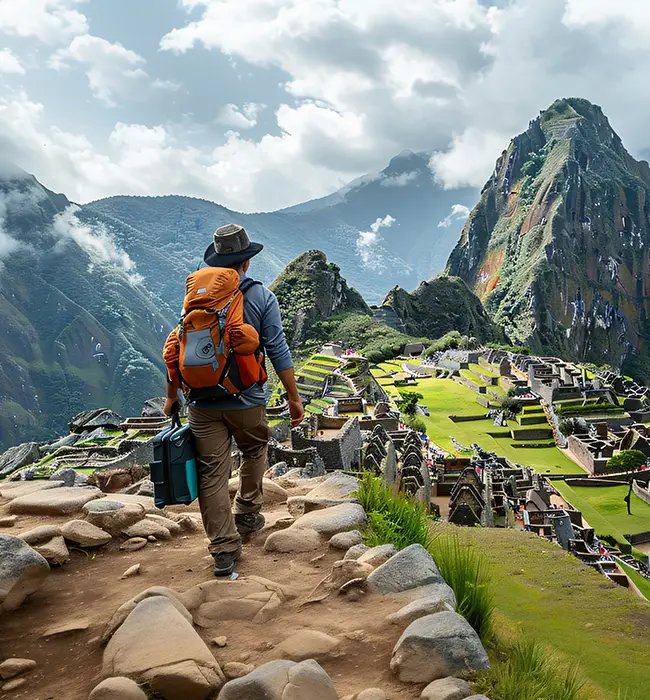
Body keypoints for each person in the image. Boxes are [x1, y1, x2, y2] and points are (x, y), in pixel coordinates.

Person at [163, 224, 304, 576]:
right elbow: (277, 351)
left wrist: (171, 398)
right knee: (256, 449)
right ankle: (247, 513)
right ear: (246, 262)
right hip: (246, 399)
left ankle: (223, 550)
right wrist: (293, 397)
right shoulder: (261, 297)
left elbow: (177, 346)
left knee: (212, 472)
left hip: (201, 402)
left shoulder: (196, 297)